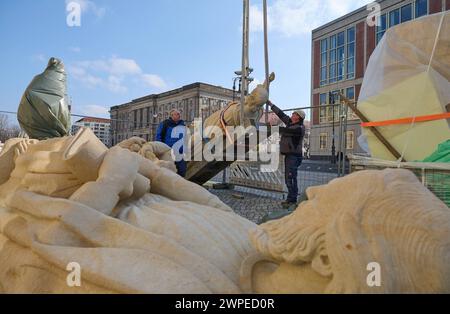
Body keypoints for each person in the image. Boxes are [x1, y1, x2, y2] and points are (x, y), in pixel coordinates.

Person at [267, 100, 306, 208]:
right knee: (289, 177)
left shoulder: (299, 128)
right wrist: (271, 105)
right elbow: (281, 114)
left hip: (294, 156)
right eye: (293, 113)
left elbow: (283, 130)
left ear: (298, 117)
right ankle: (291, 199)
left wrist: (271, 128)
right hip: (289, 155)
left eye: (294, 114)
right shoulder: (290, 123)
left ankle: (292, 200)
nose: (292, 114)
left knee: (291, 177)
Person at [156, 109, 187, 177]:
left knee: (182, 170)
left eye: (179, 114)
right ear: (172, 115)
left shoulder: (183, 125)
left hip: (180, 152)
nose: (179, 115)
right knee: (168, 170)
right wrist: (160, 149)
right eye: (177, 114)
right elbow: (159, 136)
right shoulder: (165, 124)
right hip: (168, 151)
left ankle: (179, 185)